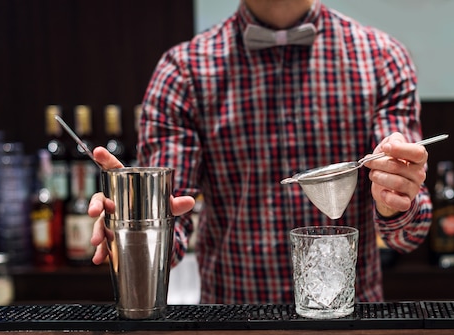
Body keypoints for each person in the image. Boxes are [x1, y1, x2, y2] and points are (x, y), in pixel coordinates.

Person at [89, 0, 432, 304]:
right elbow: (172, 229)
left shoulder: (383, 59)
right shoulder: (183, 72)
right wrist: (133, 226)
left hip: (348, 320)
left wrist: (394, 199)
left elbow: (408, 235)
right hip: (232, 328)